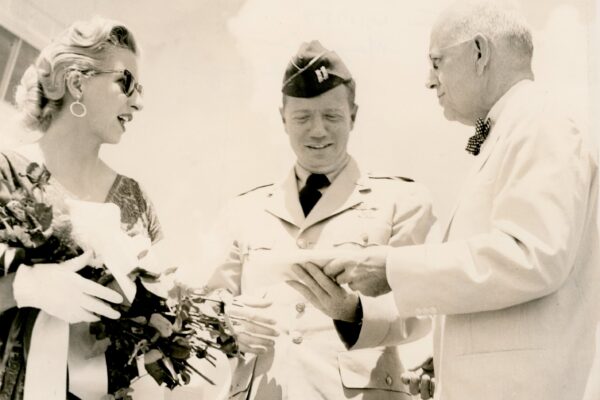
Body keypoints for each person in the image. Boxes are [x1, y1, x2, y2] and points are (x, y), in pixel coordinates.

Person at [292, 2, 600, 399]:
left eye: (437, 62)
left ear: (479, 52)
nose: (429, 81)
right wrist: (448, 358)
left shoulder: (541, 125)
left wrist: (392, 268)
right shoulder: (517, 129)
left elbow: (532, 256)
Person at [206, 40, 435, 400]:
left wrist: (353, 311)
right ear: (283, 118)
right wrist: (227, 321)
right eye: (302, 117)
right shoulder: (242, 211)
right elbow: (203, 304)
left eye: (331, 116)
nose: (317, 131)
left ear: (353, 116)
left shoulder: (402, 201)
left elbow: (424, 307)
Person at [0, 17, 164, 399]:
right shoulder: (6, 174)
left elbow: (156, 318)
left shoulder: (135, 199)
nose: (138, 102)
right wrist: (24, 287)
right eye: (126, 82)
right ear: (77, 83)